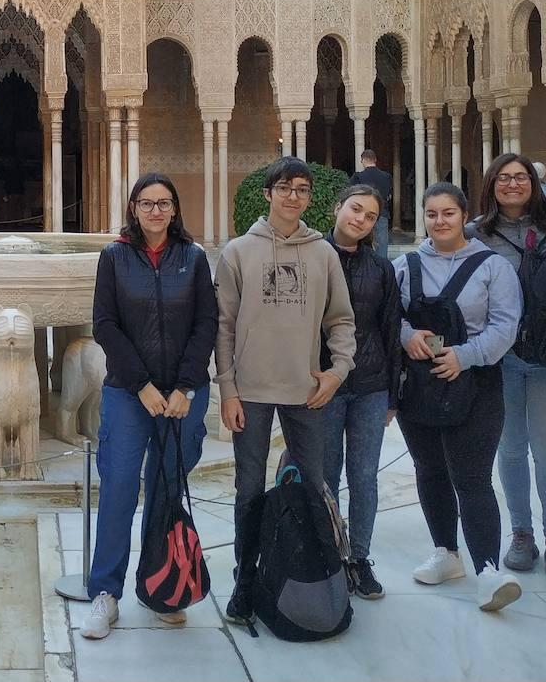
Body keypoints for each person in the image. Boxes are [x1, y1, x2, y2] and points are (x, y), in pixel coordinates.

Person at [215, 156, 356, 625]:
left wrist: (337, 371)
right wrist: (228, 389)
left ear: (309, 198)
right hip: (251, 391)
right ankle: (245, 580)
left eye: (302, 189)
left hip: (306, 391)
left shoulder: (323, 254)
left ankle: (316, 575)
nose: (293, 196)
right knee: (249, 489)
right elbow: (224, 326)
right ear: (268, 194)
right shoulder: (238, 252)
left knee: (313, 485)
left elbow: (341, 320)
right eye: (284, 188)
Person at [81, 173, 217, 640]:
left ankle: (160, 587)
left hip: (182, 398)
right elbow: (105, 325)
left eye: (163, 203)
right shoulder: (114, 256)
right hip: (129, 394)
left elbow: (206, 324)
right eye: (146, 203)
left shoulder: (193, 258)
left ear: (174, 209)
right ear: (134, 209)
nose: (155, 211)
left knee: (166, 491)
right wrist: (141, 385)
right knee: (119, 488)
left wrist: (184, 387)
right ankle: (105, 592)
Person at [395, 182, 523, 612]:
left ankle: (488, 570)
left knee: (471, 477)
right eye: (431, 214)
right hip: (420, 384)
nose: (440, 221)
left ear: (464, 216)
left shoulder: (492, 267)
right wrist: (407, 335)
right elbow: (387, 315)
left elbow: (505, 326)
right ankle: (446, 553)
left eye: (448, 213)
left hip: (476, 385)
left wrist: (464, 357)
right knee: (429, 469)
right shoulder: (406, 265)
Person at [473, 152, 546, 579]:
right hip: (501, 357)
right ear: (491, 184)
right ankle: (521, 533)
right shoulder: (475, 234)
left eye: (521, 177)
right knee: (511, 447)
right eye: (504, 177)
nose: (513, 184)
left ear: (534, 184)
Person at [321, 184, 402, 599]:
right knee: (325, 475)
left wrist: (393, 396)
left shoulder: (381, 269)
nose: (360, 220)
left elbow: (391, 330)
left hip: (370, 384)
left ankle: (359, 558)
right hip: (324, 384)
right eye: (355, 209)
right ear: (338, 207)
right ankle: (329, 555)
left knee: (364, 475)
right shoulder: (313, 257)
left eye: (370, 216)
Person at [351, 150, 394, 257]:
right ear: (375, 160)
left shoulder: (358, 176)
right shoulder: (386, 176)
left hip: (363, 215)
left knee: (362, 241)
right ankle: (381, 266)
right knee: (382, 245)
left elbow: (352, 196)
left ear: (363, 160)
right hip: (382, 212)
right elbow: (389, 195)